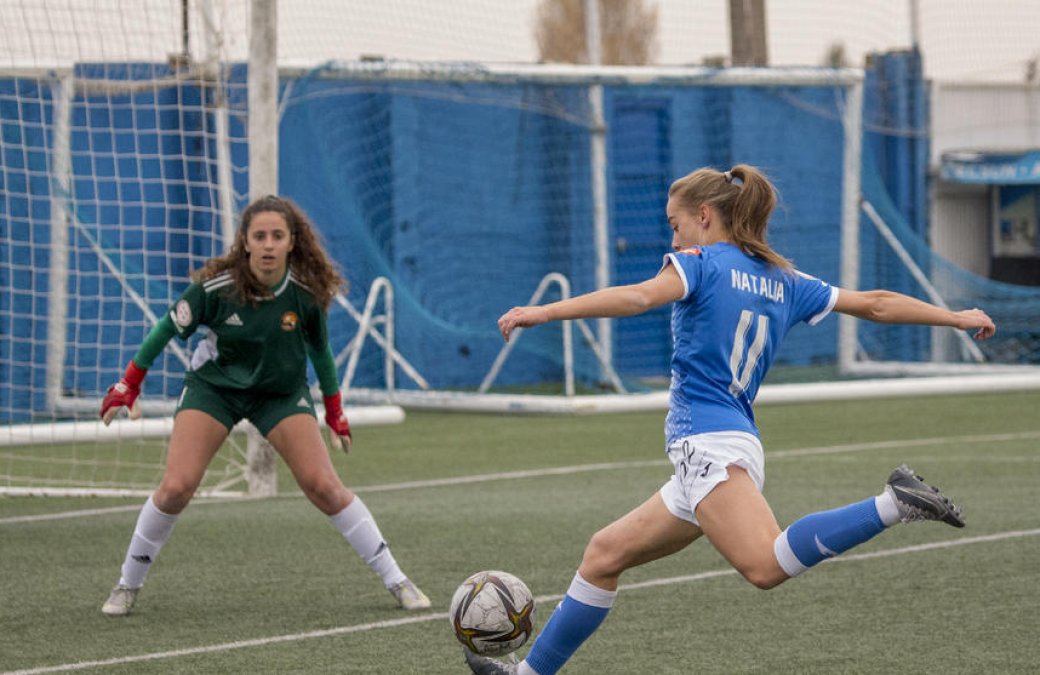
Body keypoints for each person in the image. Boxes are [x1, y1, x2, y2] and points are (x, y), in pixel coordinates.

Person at [465, 165, 994, 675]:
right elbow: (876, 304)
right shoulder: (783, 277)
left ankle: (893, 502)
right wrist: (954, 316)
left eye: (675, 226)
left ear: (702, 216)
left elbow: (639, 296)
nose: (672, 241)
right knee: (604, 554)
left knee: (764, 566)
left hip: (708, 446)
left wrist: (548, 311)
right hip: (727, 443)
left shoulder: (699, 262)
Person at [98, 195, 431, 617]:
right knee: (177, 486)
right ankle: (127, 584)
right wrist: (129, 385)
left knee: (324, 486)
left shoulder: (305, 296)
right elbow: (165, 329)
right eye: (260, 236)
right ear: (245, 242)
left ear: (292, 242)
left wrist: (335, 413)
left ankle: (398, 580)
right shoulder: (214, 290)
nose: (269, 244)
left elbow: (322, 354)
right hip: (214, 389)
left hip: (280, 393)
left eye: (278, 235)